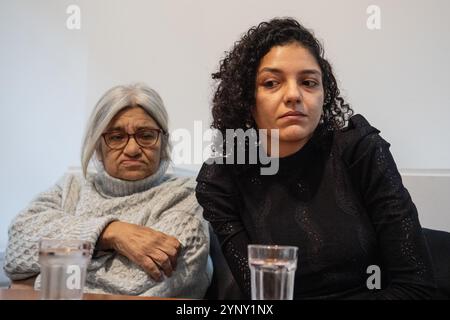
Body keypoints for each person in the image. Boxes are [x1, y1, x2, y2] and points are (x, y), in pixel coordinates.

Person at [195, 18, 436, 299]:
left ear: (324, 95)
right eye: (272, 83)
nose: (294, 95)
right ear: (248, 99)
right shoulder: (223, 181)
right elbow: (260, 297)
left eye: (309, 82)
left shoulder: (360, 152)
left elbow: (418, 289)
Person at [4, 83, 211, 298]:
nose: (132, 149)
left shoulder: (186, 195)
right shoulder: (71, 186)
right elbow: (18, 243)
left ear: (163, 142)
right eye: (116, 137)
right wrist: (109, 233)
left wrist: (35, 279)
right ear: (98, 147)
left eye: (146, 135)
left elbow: (138, 285)